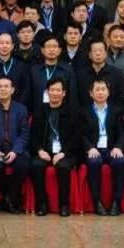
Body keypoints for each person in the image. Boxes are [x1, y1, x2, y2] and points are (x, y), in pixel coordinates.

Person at [30, 77, 78, 217]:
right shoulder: (40, 111)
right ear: (47, 92)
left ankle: (64, 205)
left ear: (64, 93)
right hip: (45, 151)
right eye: (52, 90)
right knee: (36, 165)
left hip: (65, 152)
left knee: (63, 166)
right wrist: (40, 150)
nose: (55, 93)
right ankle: (42, 204)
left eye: (58, 90)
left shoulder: (72, 112)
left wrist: (63, 153)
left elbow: (76, 137)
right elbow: (33, 135)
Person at [0, 76, 30, 213]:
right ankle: (8, 196)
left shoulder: (21, 109)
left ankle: (10, 197)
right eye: (0, 86)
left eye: (6, 86)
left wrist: (15, 151)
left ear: (12, 90)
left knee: (23, 165)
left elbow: (24, 134)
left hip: (16, 149)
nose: (3, 89)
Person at [79, 79, 124, 216]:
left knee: (120, 161)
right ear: (91, 93)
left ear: (108, 92)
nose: (100, 92)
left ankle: (116, 202)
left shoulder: (116, 111)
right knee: (94, 162)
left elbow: (122, 132)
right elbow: (81, 134)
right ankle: (97, 201)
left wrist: (118, 147)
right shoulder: (83, 112)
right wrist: (89, 147)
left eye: (103, 89)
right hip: (94, 149)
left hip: (111, 148)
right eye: (97, 90)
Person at [30, 35, 78, 115]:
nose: (51, 49)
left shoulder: (68, 70)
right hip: (38, 113)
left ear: (59, 50)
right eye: (48, 47)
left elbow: (72, 96)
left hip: (62, 114)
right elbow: (29, 95)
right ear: (42, 50)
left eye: (54, 47)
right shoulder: (34, 70)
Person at [76, 40, 124, 108]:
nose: (98, 53)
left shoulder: (116, 73)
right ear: (90, 55)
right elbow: (76, 99)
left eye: (101, 51)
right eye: (95, 51)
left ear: (106, 54)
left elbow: (122, 98)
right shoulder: (80, 74)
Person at [0, 32, 30, 106]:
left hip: (17, 107)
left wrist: (18, 106)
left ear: (12, 46)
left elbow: (25, 89)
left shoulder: (21, 66)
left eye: (7, 43)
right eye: (2, 43)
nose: (4, 46)